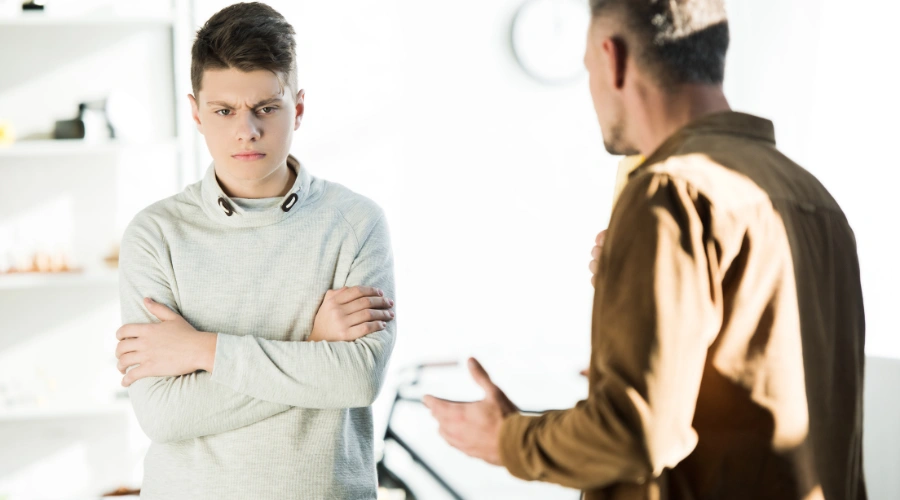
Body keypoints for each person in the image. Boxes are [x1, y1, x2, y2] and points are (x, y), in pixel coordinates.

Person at [424, 1, 867, 499]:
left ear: (612, 60)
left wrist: (506, 440)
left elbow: (635, 433)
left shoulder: (669, 192)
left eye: (588, 68)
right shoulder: (812, 198)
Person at [112, 3, 397, 499]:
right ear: (197, 112)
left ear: (299, 109)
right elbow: (164, 414)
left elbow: (356, 379)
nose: (247, 130)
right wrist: (313, 349)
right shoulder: (155, 234)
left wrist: (204, 351)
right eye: (224, 111)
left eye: (266, 108)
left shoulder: (355, 222)